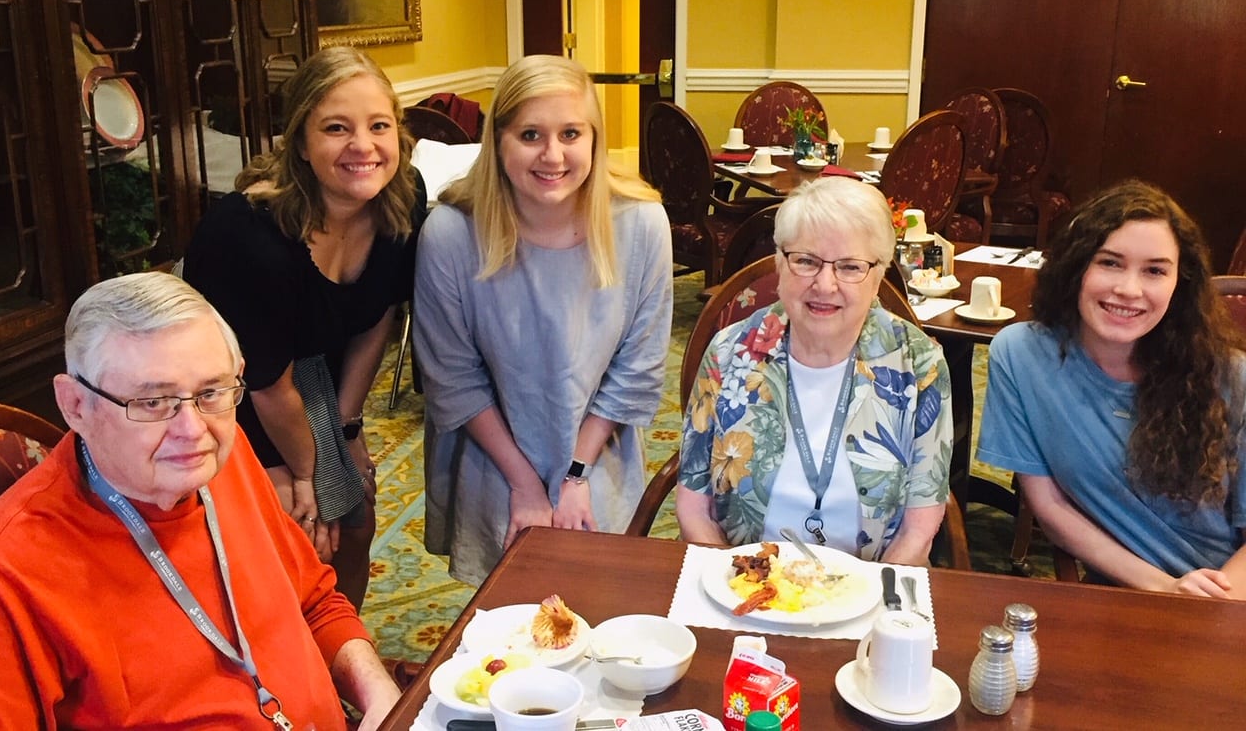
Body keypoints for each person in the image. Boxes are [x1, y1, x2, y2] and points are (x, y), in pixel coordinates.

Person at [0, 272, 401, 728]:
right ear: (75, 405)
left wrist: (377, 691)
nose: (193, 432)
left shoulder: (222, 459)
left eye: (211, 392)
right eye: (153, 402)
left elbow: (314, 603)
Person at [414, 54, 673, 586]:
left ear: (595, 140)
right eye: (531, 134)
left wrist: (574, 474)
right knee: (511, 625)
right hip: (494, 459)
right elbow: (454, 380)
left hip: (595, 452)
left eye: (571, 133)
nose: (553, 155)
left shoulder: (642, 223)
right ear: (499, 141)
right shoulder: (451, 234)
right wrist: (525, 483)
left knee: (600, 610)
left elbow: (637, 370)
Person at [184, 46, 426, 611]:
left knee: (357, 517)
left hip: (312, 378)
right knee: (295, 537)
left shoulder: (401, 200)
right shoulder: (248, 239)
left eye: (379, 125)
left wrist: (346, 429)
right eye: (336, 128)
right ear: (300, 142)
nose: (363, 147)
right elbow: (267, 384)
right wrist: (305, 474)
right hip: (225, 395)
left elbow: (378, 315)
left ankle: (340, 659)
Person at [977, 180, 1246, 597]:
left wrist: (1216, 607)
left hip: (1227, 593)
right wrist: (1166, 589)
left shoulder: (1232, 378)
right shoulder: (1021, 356)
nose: (1129, 290)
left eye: (1155, 270)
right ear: (1076, 266)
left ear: (1180, 284)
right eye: (1110, 263)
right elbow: (1050, 508)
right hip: (1128, 592)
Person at [676, 177, 952, 564]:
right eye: (806, 261)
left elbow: (919, 528)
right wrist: (739, 585)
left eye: (850, 267)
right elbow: (692, 507)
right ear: (779, 262)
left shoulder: (918, 364)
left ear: (878, 275)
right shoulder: (728, 353)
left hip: (871, 594)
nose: (825, 284)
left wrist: (863, 605)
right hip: (741, 586)